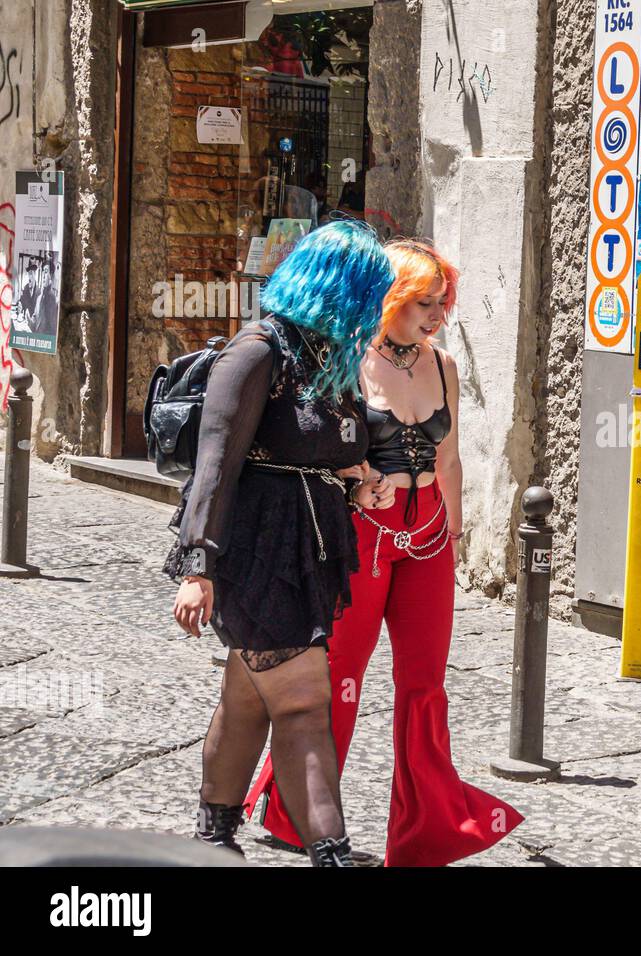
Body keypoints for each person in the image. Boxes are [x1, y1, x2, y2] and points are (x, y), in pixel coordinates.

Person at [244, 238, 523, 866]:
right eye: (423, 302)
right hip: (364, 534)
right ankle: (298, 815)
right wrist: (353, 481)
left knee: (424, 683)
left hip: (427, 536)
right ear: (389, 298)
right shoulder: (349, 361)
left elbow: (448, 459)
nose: (436, 314)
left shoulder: (445, 366)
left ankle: (427, 830)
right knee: (340, 675)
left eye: (442, 303)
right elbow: (317, 444)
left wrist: (452, 531)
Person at [166, 220, 395, 867]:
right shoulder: (257, 349)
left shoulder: (328, 359)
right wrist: (198, 566)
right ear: (339, 288)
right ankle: (331, 853)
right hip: (252, 548)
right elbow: (215, 463)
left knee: (248, 696)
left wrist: (357, 482)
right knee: (301, 703)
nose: (376, 306)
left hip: (306, 547)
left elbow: (333, 448)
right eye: (369, 291)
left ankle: (212, 838)